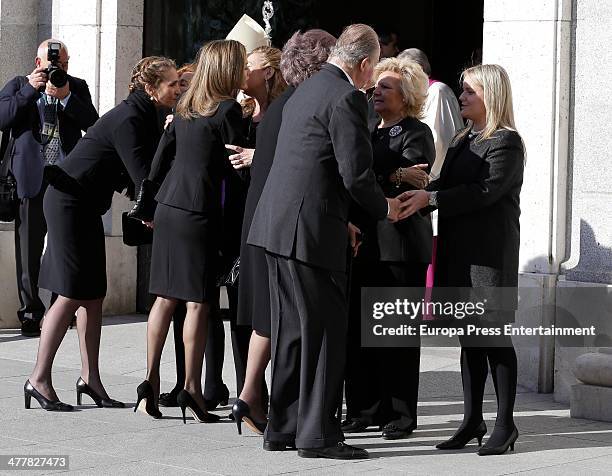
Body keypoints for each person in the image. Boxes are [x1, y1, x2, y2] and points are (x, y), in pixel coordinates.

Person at [248, 24, 409, 460]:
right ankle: (317, 435)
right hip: (309, 232)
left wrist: (342, 222)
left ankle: (282, 428)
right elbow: (354, 173)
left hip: (280, 226)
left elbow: (310, 163)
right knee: (322, 332)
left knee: (292, 333)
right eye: (372, 70)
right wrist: (386, 208)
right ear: (362, 63)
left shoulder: (307, 87)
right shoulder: (344, 97)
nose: (371, 79)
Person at [23, 56, 180, 411]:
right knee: (71, 292)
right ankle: (38, 378)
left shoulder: (143, 115)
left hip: (84, 204)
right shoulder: (129, 118)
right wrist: (154, 212)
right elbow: (142, 175)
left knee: (93, 294)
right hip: (67, 203)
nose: (178, 89)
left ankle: (90, 380)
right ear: (151, 88)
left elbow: (137, 174)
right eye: (173, 83)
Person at [399, 64, 524, 456]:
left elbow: (482, 192)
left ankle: (505, 425)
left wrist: (431, 198)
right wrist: (417, 187)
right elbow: (449, 186)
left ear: (490, 96)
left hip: (488, 259)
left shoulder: (506, 142)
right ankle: (472, 421)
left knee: (494, 339)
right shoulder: (461, 138)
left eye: (470, 91)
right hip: (458, 256)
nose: (462, 97)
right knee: (469, 340)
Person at [135, 40, 248, 423]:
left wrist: (148, 204)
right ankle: (192, 389)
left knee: (165, 298)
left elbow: (159, 159)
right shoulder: (228, 109)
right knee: (199, 300)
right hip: (198, 211)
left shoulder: (183, 107)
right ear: (229, 69)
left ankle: (148, 384)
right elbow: (239, 167)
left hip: (168, 207)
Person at [231, 29, 337, 435]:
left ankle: (250, 395)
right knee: (282, 319)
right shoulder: (303, 106)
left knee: (269, 316)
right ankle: (257, 398)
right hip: (288, 225)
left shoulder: (280, 109)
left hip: (264, 220)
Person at [343, 57, 434, 440]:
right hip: (364, 243)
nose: (376, 92)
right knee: (358, 333)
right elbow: (356, 176)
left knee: (396, 334)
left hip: (401, 247)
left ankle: (399, 414)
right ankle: (363, 409)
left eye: (386, 87)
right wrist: (391, 174)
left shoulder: (417, 132)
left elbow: (412, 183)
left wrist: (388, 178)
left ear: (407, 95)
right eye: (376, 86)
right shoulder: (364, 127)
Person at [0, 39, 98, 338]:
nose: (59, 69)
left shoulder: (76, 86)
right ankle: (30, 313)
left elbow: (93, 124)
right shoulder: (18, 84)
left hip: (65, 178)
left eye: (64, 65)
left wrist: (66, 97)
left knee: (62, 246)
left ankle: (60, 308)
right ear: (37, 62)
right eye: (54, 64)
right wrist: (30, 89)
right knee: (28, 249)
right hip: (29, 177)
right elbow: (3, 119)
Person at [398, 48, 463, 178]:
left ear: (420, 69)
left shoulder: (438, 91)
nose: (401, 78)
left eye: (405, 71)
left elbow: (440, 142)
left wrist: (426, 178)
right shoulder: (415, 94)